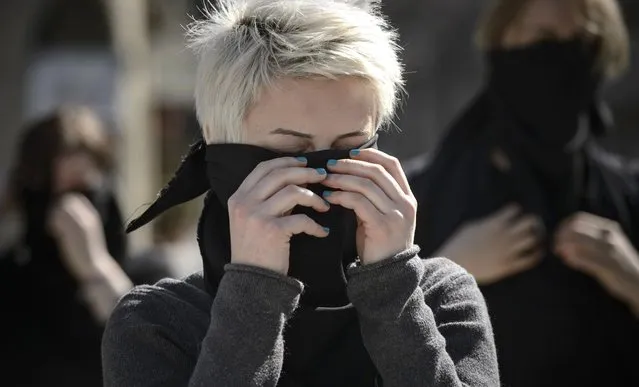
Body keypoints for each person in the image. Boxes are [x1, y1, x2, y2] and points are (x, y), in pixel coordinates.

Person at [101, 0, 499, 386]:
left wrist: (392, 288)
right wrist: (254, 292)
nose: (323, 173)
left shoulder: (441, 299)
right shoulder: (156, 323)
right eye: (291, 152)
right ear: (218, 144)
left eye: (349, 148)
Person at [407, 0, 639, 386]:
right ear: (501, 41)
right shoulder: (415, 198)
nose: (561, 62)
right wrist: (447, 271)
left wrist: (632, 279)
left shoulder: (628, 197)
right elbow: (361, 347)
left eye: (582, 44)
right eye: (543, 40)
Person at [0, 107, 134, 386]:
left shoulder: (148, 276)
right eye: (61, 200)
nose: (76, 219)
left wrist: (96, 266)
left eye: (86, 194)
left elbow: (147, 352)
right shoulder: (9, 286)